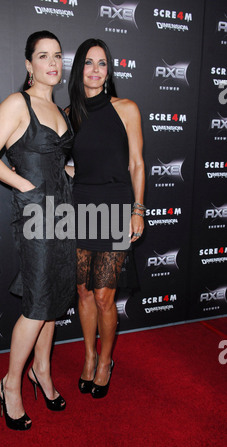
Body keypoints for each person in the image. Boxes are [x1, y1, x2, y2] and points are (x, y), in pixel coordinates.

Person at [0, 31, 76, 430]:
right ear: (28, 64)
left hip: (65, 214)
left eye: (57, 56)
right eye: (43, 56)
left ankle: (42, 372)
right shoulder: (17, 104)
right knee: (37, 305)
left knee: (53, 301)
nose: (53, 63)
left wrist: (69, 173)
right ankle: (11, 386)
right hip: (36, 215)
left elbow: (57, 161)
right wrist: (26, 186)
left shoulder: (60, 111)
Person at [68, 38, 145, 398]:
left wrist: (138, 209)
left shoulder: (126, 108)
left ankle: (105, 360)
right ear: (78, 69)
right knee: (83, 292)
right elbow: (72, 166)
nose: (95, 70)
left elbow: (136, 164)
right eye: (88, 63)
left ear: (109, 70)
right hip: (81, 207)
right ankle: (87, 356)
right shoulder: (69, 115)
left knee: (103, 295)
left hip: (115, 207)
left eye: (102, 63)